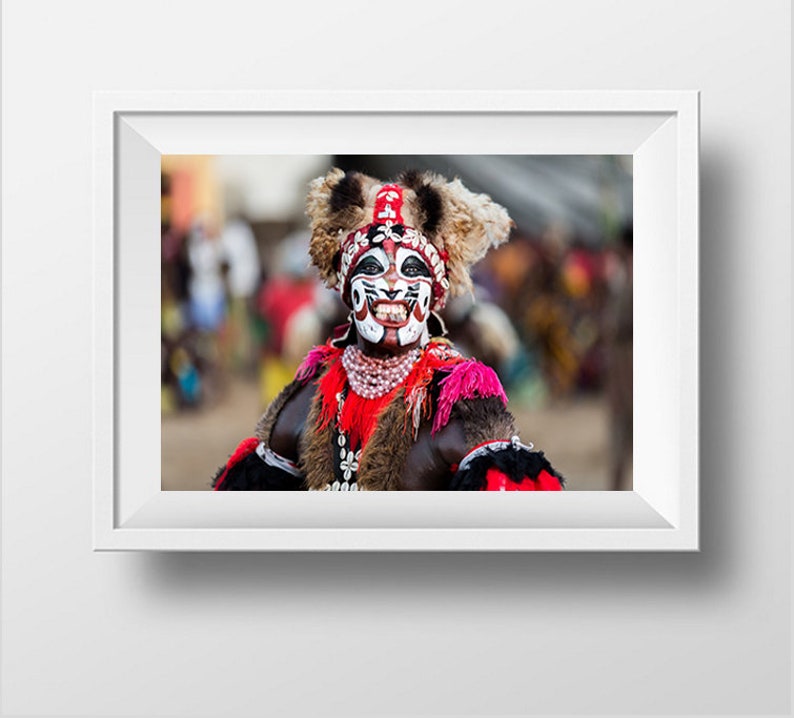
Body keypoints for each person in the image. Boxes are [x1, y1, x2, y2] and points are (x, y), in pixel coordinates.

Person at [213, 168, 564, 491]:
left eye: (411, 269)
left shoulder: (459, 406)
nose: (393, 284)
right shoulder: (305, 400)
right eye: (373, 267)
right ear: (347, 292)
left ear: (434, 295)